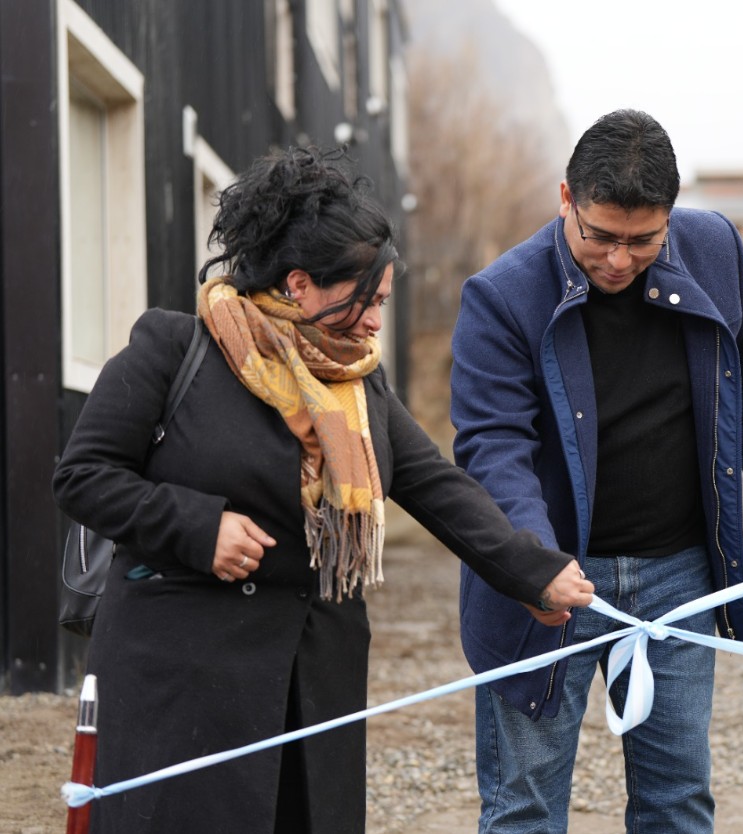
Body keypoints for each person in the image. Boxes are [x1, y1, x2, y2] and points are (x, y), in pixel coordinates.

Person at [51, 146, 593, 834]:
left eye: (383, 304)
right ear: (299, 284)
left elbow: (437, 487)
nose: (374, 323)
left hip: (314, 684)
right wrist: (199, 526)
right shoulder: (170, 349)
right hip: (180, 678)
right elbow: (83, 476)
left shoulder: (358, 382)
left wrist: (533, 573)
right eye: (366, 302)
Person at [450, 109, 743, 832]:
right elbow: (494, 448)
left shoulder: (715, 250)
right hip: (551, 584)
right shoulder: (501, 296)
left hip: (680, 575)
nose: (618, 261)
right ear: (565, 200)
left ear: (671, 218)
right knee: (525, 804)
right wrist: (532, 563)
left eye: (642, 241)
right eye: (600, 237)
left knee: (678, 799)